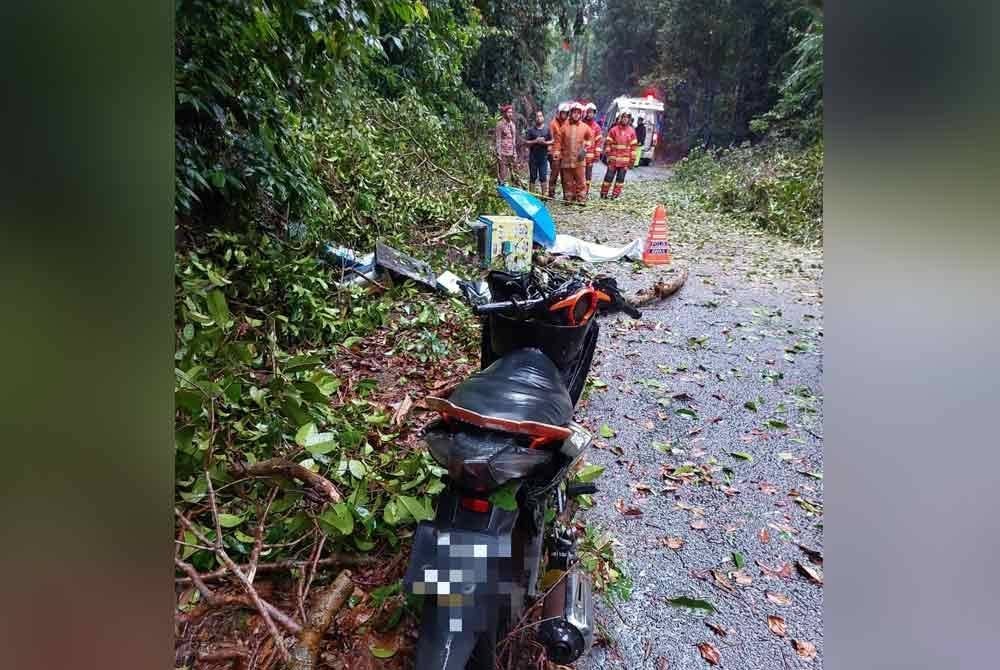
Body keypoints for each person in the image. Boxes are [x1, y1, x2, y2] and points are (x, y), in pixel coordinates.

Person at [552, 102, 593, 204]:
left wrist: (586, 146)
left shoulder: (585, 127)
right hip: (566, 160)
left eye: (578, 113)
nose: (576, 114)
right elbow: (558, 142)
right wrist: (556, 152)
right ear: (571, 113)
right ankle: (568, 199)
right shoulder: (564, 128)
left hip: (579, 160)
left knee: (581, 181)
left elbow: (591, 138)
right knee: (567, 182)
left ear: (581, 114)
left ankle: (581, 199)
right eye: (574, 112)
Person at [601, 111, 638, 199]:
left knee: (620, 180)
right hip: (613, 160)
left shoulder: (631, 131)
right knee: (608, 178)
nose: (625, 119)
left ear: (629, 119)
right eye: (624, 117)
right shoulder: (614, 130)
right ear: (620, 118)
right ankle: (603, 193)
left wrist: (632, 161)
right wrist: (608, 155)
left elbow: (633, 148)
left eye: (627, 117)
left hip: (624, 162)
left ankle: (615, 195)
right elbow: (608, 144)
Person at [524, 110, 552, 194]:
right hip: (533, 158)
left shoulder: (547, 129)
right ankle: (531, 195)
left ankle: (544, 195)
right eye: (537, 116)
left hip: (543, 158)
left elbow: (552, 141)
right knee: (533, 176)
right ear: (535, 119)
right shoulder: (531, 130)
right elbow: (526, 142)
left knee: (543, 176)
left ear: (543, 117)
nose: (539, 118)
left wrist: (545, 143)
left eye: (540, 116)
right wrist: (535, 141)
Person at [548, 102, 570, 198]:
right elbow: (550, 138)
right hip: (555, 153)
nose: (564, 115)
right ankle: (551, 193)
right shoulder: (553, 124)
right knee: (554, 174)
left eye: (566, 113)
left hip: (565, 153)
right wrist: (550, 153)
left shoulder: (568, 123)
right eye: (562, 113)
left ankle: (566, 195)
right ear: (559, 113)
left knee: (565, 176)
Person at [583, 102, 603, 198]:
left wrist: (597, 154)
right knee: (578, 175)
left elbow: (598, 142)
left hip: (590, 157)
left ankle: (585, 193)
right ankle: (577, 192)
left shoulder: (597, 127)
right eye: (588, 112)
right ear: (585, 112)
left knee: (587, 176)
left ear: (594, 113)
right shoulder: (581, 124)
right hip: (580, 156)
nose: (590, 114)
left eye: (592, 112)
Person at [495, 104, 517, 185]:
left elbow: (514, 139)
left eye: (511, 112)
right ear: (504, 113)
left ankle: (511, 188)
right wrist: (498, 153)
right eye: (508, 112)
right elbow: (498, 139)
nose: (510, 114)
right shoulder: (500, 124)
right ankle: (502, 187)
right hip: (503, 152)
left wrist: (515, 153)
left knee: (512, 173)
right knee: (502, 172)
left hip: (511, 152)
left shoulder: (513, 125)